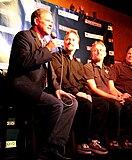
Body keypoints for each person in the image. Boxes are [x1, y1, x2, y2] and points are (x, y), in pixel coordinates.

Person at [6, 8, 78, 160]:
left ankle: (54, 145)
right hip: (22, 86)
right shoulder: (24, 36)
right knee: (56, 105)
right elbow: (24, 61)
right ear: (36, 21)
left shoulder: (44, 43)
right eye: (48, 21)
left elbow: (49, 73)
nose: (51, 24)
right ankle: (42, 150)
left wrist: (57, 89)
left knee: (71, 103)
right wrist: (47, 49)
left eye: (53, 22)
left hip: (39, 90)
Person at [50, 30, 108, 155]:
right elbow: (61, 80)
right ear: (64, 42)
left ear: (78, 45)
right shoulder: (56, 57)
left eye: (73, 40)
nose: (69, 41)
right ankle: (81, 143)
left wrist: (87, 93)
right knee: (86, 104)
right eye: (67, 39)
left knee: (103, 104)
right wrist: (77, 93)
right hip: (66, 94)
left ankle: (93, 140)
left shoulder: (79, 64)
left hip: (79, 94)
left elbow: (83, 83)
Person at [83, 41, 132, 150]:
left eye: (101, 50)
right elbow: (94, 89)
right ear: (91, 54)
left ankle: (125, 137)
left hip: (110, 97)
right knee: (116, 104)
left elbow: (111, 88)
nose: (98, 52)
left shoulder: (108, 69)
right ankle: (113, 139)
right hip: (98, 97)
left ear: (105, 54)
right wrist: (115, 98)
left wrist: (121, 95)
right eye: (95, 50)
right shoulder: (88, 67)